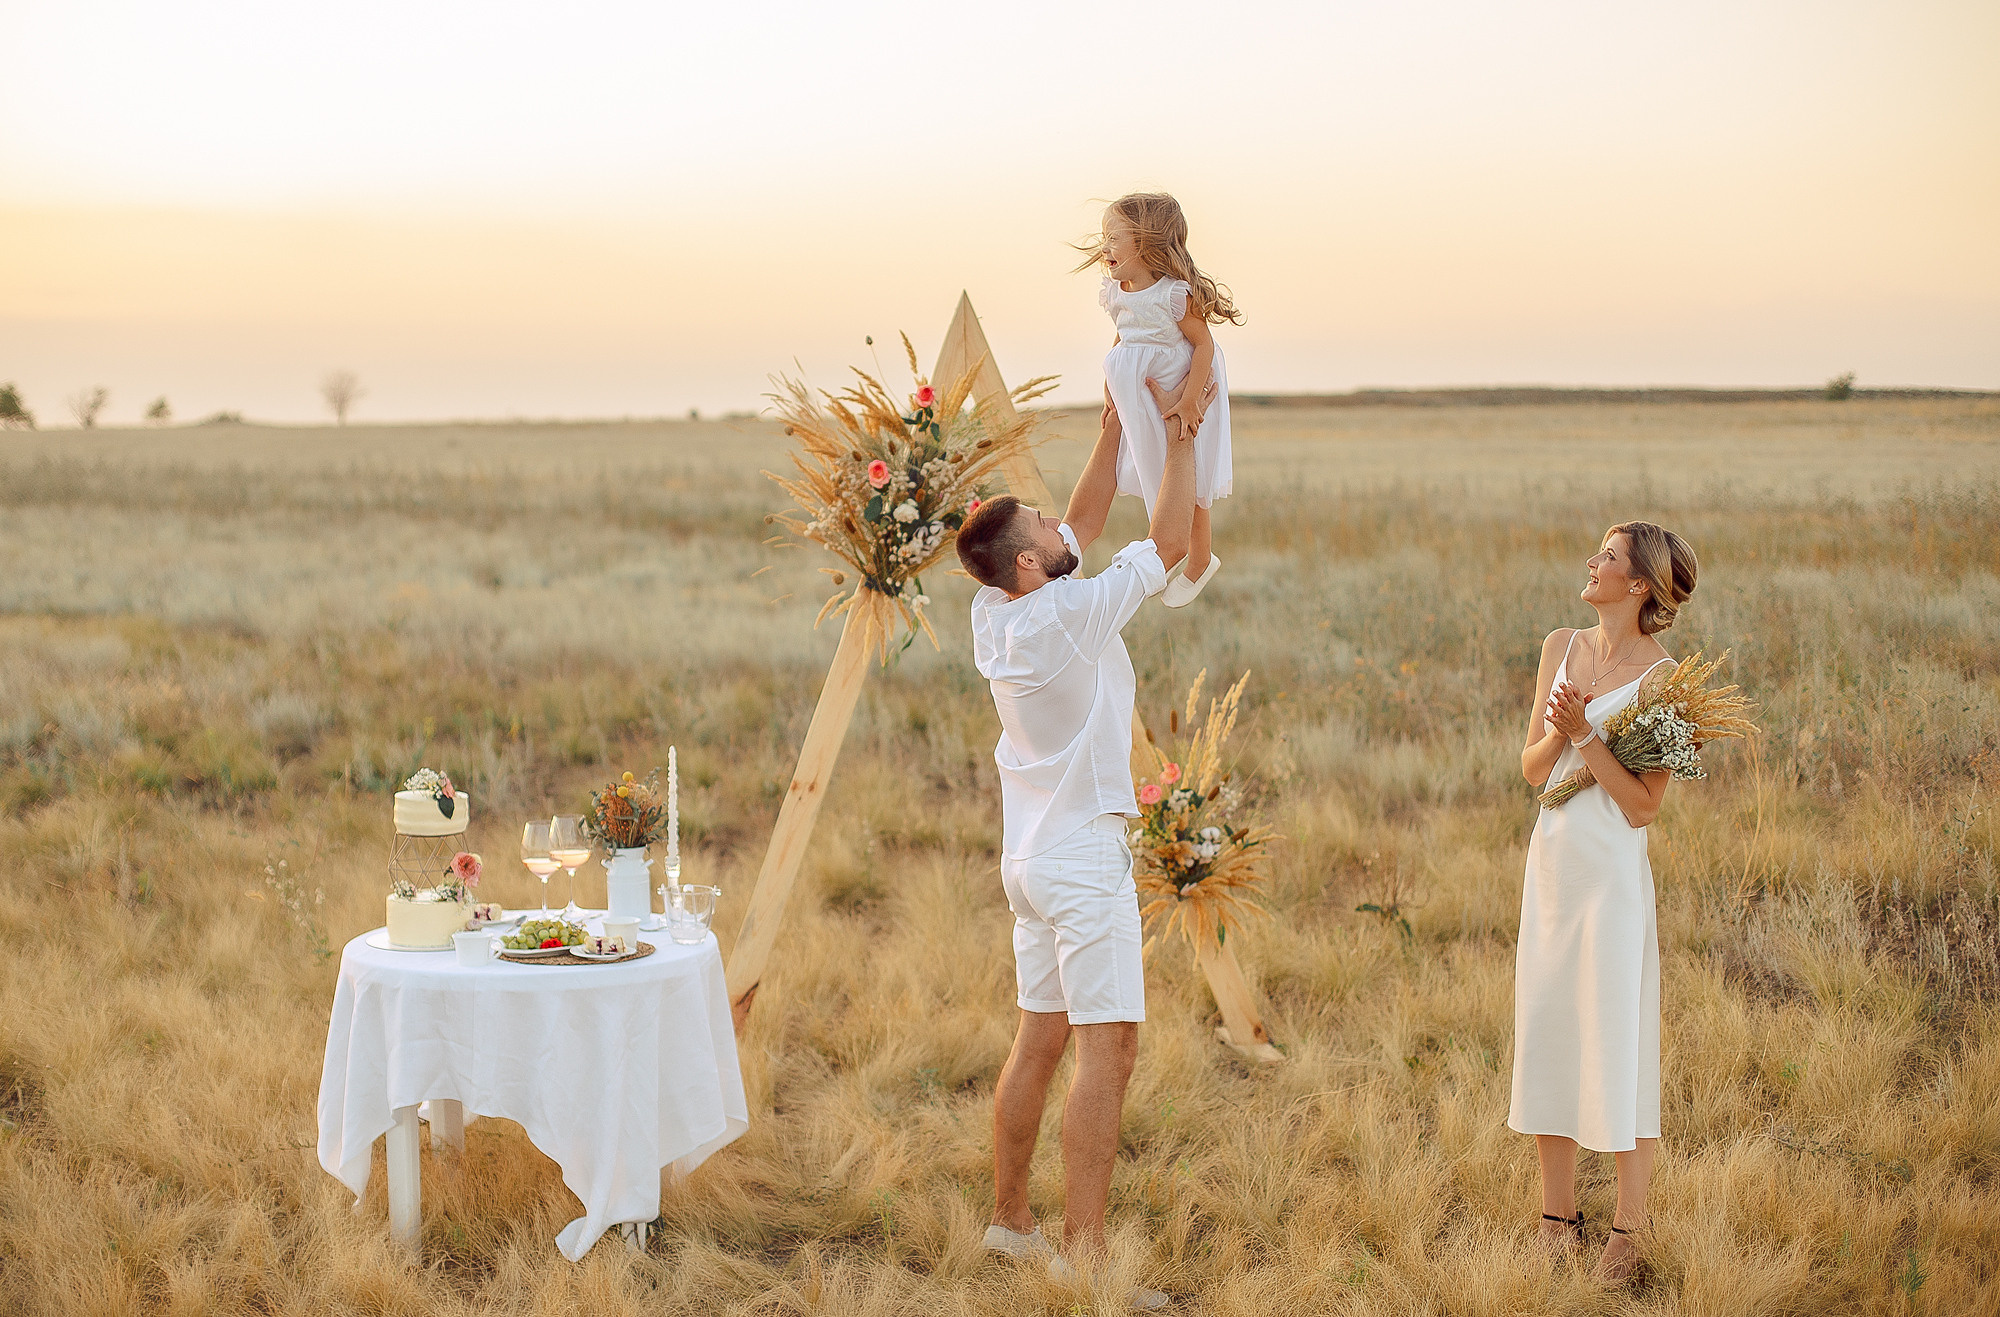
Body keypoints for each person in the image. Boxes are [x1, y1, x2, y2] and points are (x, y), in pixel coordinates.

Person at [954, 376, 1214, 1311]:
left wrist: (1112, 436)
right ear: (1030, 566)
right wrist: (1179, 438)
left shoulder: (997, 612)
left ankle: (1009, 1222)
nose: (1060, 526)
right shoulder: (1069, 612)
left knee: (1039, 1038)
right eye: (1043, 528)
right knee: (1110, 1053)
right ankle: (1087, 1263)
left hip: (1029, 859)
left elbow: (1077, 523)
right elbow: (1171, 542)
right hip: (1080, 860)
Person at [1510, 521, 1700, 1282]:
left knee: (1616, 1041)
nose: (1592, 564)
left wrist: (1587, 735)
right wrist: (1559, 736)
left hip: (1612, 877)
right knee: (1550, 1029)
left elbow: (1644, 808)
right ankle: (1557, 1217)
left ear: (1641, 583)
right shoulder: (1561, 645)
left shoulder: (1664, 681)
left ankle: (1631, 1225)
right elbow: (1529, 769)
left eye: (1609, 558)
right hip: (1553, 865)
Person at [1069, 191, 1240, 607]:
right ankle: (1168, 548)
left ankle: (1199, 558)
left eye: (1114, 237)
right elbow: (1123, 338)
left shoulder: (1171, 295)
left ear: (1145, 243)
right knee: (1159, 476)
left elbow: (1203, 345)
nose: (1104, 246)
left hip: (1178, 389)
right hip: (1140, 397)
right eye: (1104, 236)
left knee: (1189, 479)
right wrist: (1111, 385)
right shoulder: (1116, 290)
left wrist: (1189, 403)